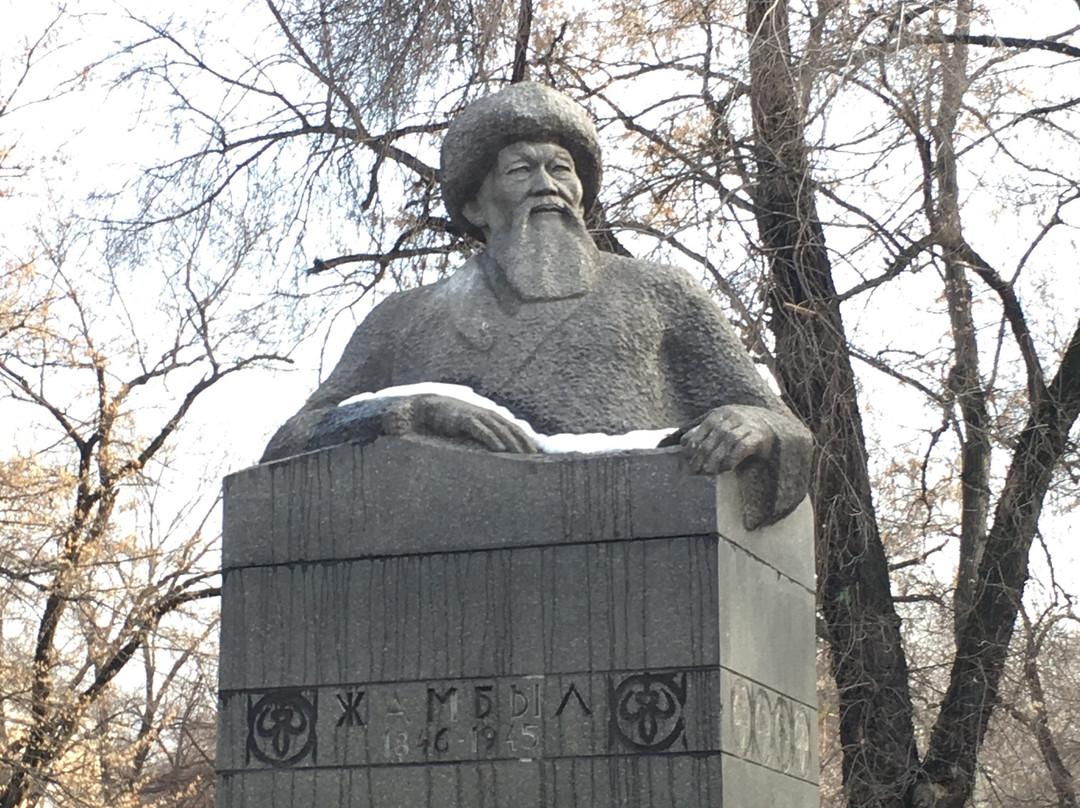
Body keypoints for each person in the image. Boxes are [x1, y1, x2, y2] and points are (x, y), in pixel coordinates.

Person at [261, 83, 811, 528]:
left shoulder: (663, 292)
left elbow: (781, 428)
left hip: (636, 535)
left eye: (561, 168)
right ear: (476, 204)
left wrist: (751, 425)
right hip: (449, 552)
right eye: (521, 171)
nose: (546, 184)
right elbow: (291, 441)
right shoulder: (405, 318)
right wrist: (409, 410)